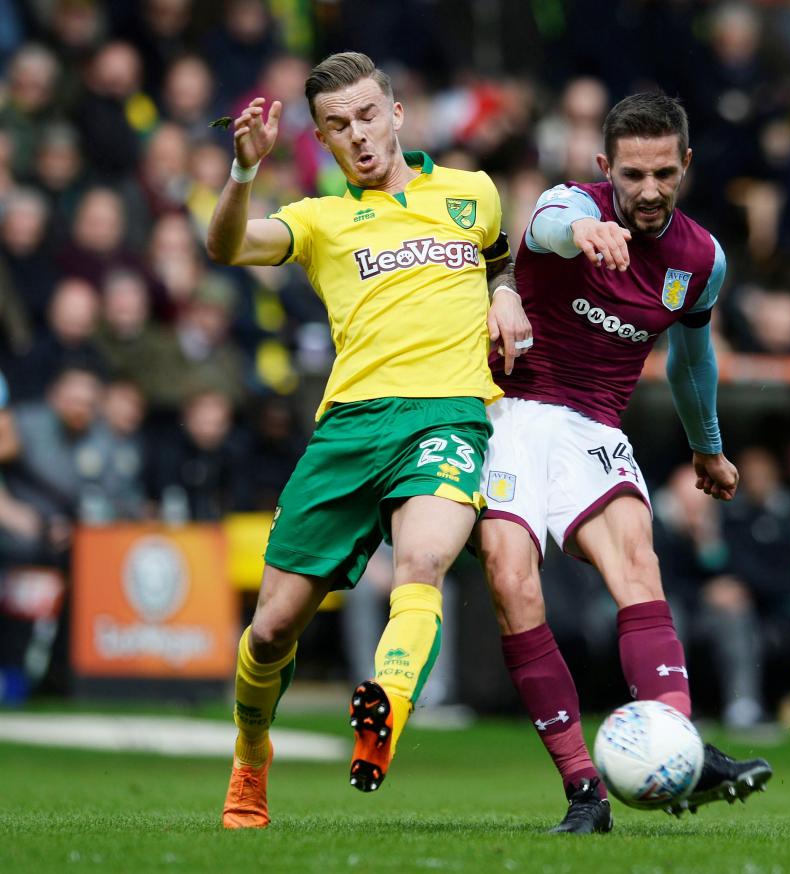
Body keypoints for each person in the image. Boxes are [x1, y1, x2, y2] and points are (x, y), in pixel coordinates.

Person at [205, 51, 530, 829]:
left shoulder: (470, 194)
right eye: (337, 126)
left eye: (366, 116)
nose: (358, 135)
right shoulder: (319, 218)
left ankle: (381, 708)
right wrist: (244, 172)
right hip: (349, 428)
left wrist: (508, 293)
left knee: (421, 563)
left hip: (448, 416)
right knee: (273, 626)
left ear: (396, 114)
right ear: (320, 139)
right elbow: (226, 248)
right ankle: (252, 757)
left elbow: (500, 258)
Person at [475, 91, 772, 834]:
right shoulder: (570, 205)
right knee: (512, 580)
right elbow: (540, 226)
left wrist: (707, 447)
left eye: (664, 174)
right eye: (633, 174)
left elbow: (690, 362)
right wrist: (582, 229)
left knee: (639, 566)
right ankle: (585, 790)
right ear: (608, 167)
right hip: (512, 409)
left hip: (594, 425)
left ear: (686, 167)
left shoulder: (702, 259)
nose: (648, 190)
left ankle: (682, 749)